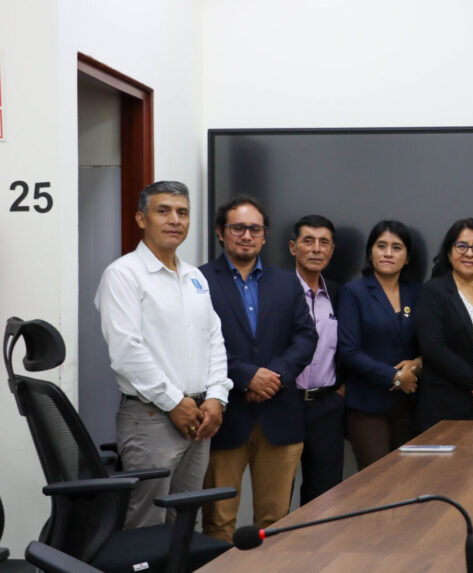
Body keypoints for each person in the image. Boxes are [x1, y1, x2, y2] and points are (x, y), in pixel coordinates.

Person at [95, 180, 232, 528]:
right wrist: (174, 402)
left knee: (185, 522)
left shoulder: (195, 277)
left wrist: (217, 397)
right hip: (151, 417)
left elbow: (214, 340)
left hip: (199, 417)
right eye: (163, 211)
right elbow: (126, 351)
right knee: (147, 522)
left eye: (182, 212)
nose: (175, 220)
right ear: (141, 219)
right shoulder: (123, 274)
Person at [199, 196, 317, 542]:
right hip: (224, 417)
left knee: (275, 521)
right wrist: (246, 376)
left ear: (265, 236)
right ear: (221, 232)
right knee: (218, 522)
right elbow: (196, 343)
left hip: (279, 414)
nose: (246, 236)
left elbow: (306, 337)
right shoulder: (199, 280)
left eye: (255, 229)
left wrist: (273, 377)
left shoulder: (286, 282)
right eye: (238, 228)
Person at [338, 220, 422, 469]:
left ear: (407, 258)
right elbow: (348, 351)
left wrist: (419, 363)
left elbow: (430, 342)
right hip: (367, 405)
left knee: (407, 478)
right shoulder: (354, 292)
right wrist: (395, 377)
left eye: (397, 247)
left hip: (409, 404)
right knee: (377, 478)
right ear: (370, 252)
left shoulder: (417, 292)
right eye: (381, 246)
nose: (388, 253)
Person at [415, 218, 473, 431]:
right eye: (462, 246)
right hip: (445, 405)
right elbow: (433, 348)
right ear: (449, 252)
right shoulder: (433, 291)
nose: (470, 253)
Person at [288, 215, 345, 504]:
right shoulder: (278, 289)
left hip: (326, 406)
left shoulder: (338, 292)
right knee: (277, 496)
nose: (316, 249)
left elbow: (348, 345)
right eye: (308, 241)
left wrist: (340, 392)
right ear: (293, 247)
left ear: (331, 250)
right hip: (286, 404)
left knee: (325, 498)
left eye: (324, 243)